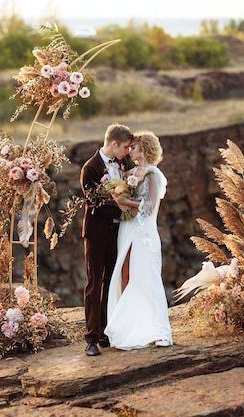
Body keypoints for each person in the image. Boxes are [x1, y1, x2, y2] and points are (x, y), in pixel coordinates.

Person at [104, 130, 173, 350]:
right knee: (125, 275)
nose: (129, 150)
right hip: (127, 228)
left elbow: (151, 207)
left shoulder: (153, 174)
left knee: (147, 278)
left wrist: (126, 202)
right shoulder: (131, 173)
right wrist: (119, 197)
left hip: (144, 231)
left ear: (143, 148)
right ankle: (130, 329)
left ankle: (160, 332)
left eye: (133, 147)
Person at [80, 123, 134, 356]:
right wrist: (124, 211)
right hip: (97, 233)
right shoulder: (90, 168)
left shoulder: (124, 164)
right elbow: (95, 204)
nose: (127, 152)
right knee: (95, 284)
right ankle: (91, 338)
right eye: (125, 147)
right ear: (114, 144)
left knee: (112, 283)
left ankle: (105, 331)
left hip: (118, 233)